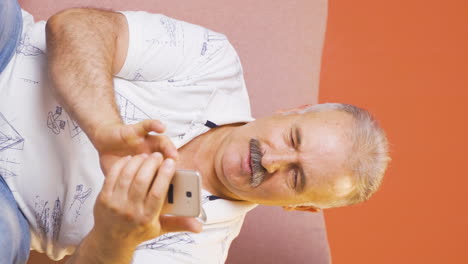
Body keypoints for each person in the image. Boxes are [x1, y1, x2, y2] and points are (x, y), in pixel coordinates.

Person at [0, 1, 390, 263]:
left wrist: (114, 238)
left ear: (300, 207)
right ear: (292, 111)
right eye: (293, 139)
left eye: (295, 176)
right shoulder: (213, 62)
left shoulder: (198, 251)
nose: (270, 161)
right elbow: (76, 25)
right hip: (8, 55)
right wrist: (104, 129)